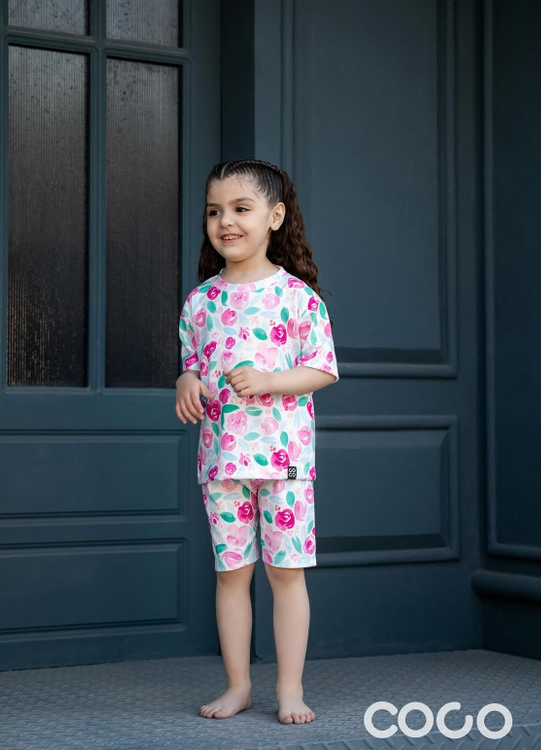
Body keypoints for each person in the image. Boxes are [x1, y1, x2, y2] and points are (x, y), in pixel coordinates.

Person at [175, 159, 338, 725]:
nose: (226, 221)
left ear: (275, 217)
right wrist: (186, 381)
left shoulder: (297, 297)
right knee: (231, 576)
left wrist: (269, 381)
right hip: (222, 462)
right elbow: (192, 364)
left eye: (241, 209)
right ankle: (238, 685)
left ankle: (289, 689)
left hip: (284, 462)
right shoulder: (200, 302)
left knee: (286, 575)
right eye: (214, 211)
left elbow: (323, 369)